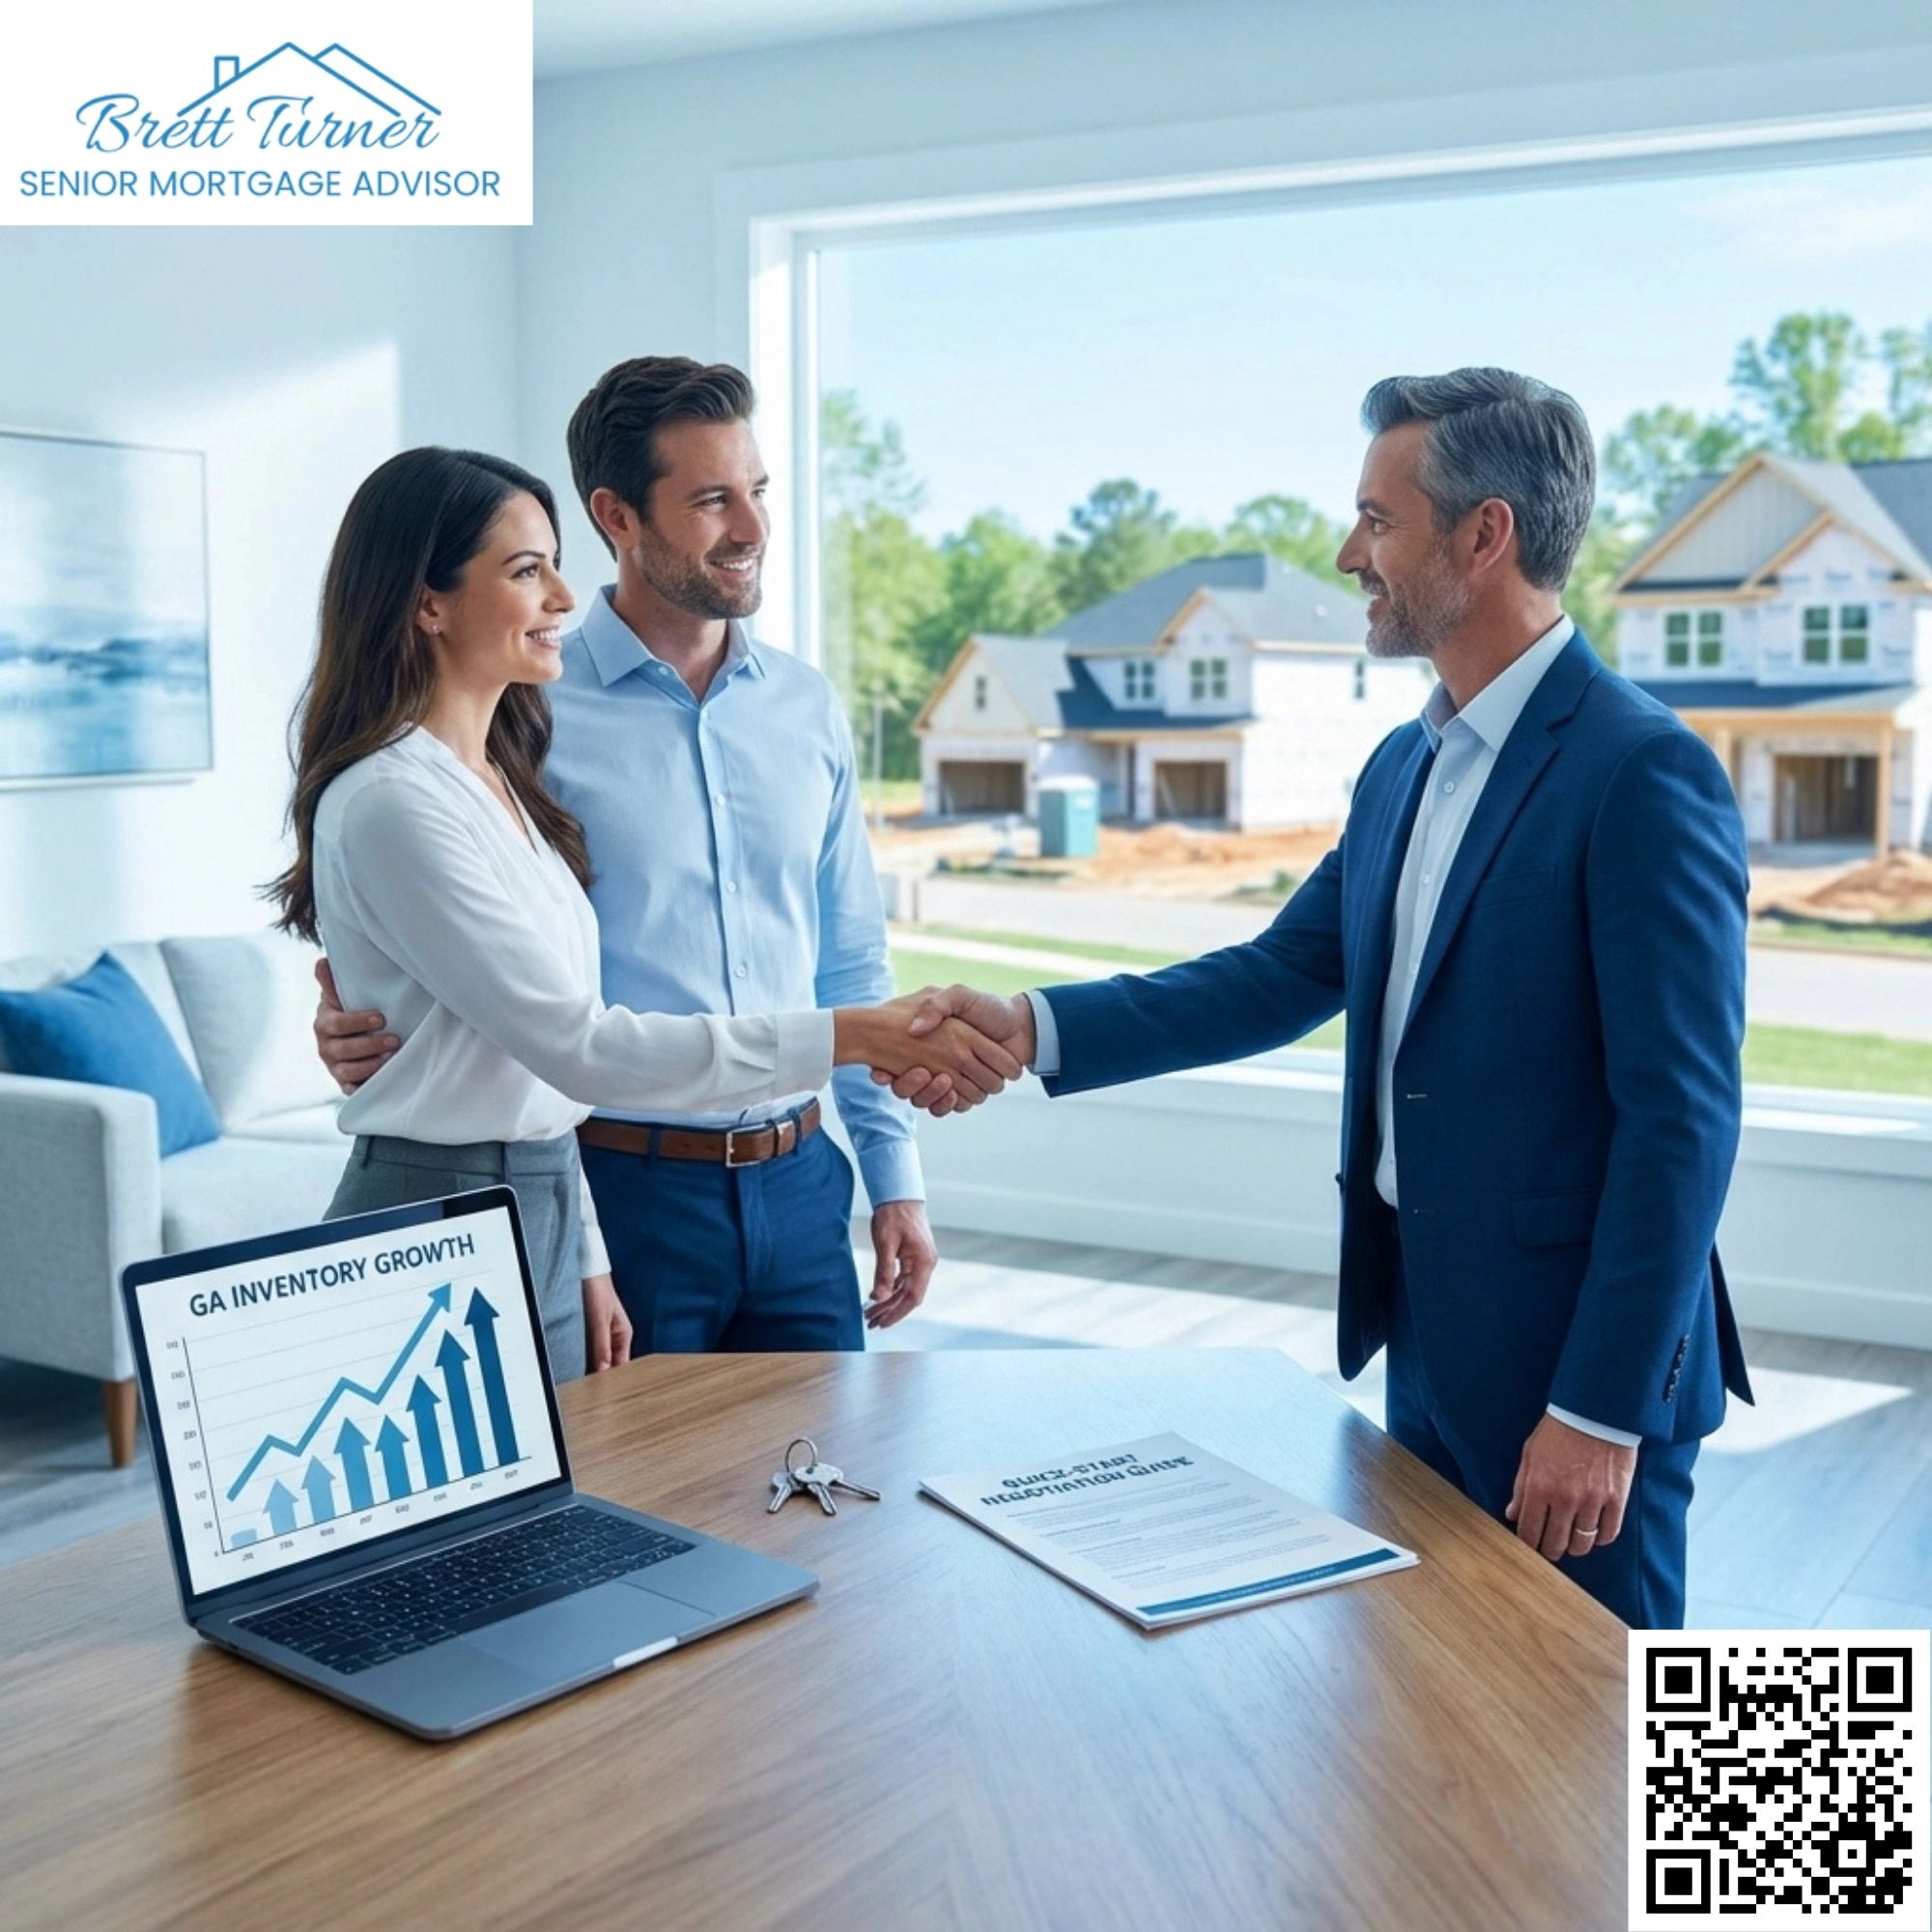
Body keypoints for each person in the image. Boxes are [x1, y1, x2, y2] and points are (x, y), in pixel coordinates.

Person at [890, 368, 1754, 1630]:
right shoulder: (1405, 763)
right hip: (1429, 1340)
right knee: (1441, 1737)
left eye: (1377, 520)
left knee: (1601, 1757)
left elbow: (1681, 1121)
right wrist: (1033, 1028)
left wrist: (1597, 1409)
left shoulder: (1641, 773)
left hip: (1576, 1375)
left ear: (1485, 532)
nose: (1351, 554)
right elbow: (1287, 972)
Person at [273, 446, 1017, 1381]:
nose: (559, 594)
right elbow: (572, 1043)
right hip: (510, 1198)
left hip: (628, 1186)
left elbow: (529, 1050)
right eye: (525, 569)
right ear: (621, 515)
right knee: (542, 1516)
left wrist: (579, 1245)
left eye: (757, 492)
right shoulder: (408, 789)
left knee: (800, 1485)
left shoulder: (500, 775)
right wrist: (855, 1036)